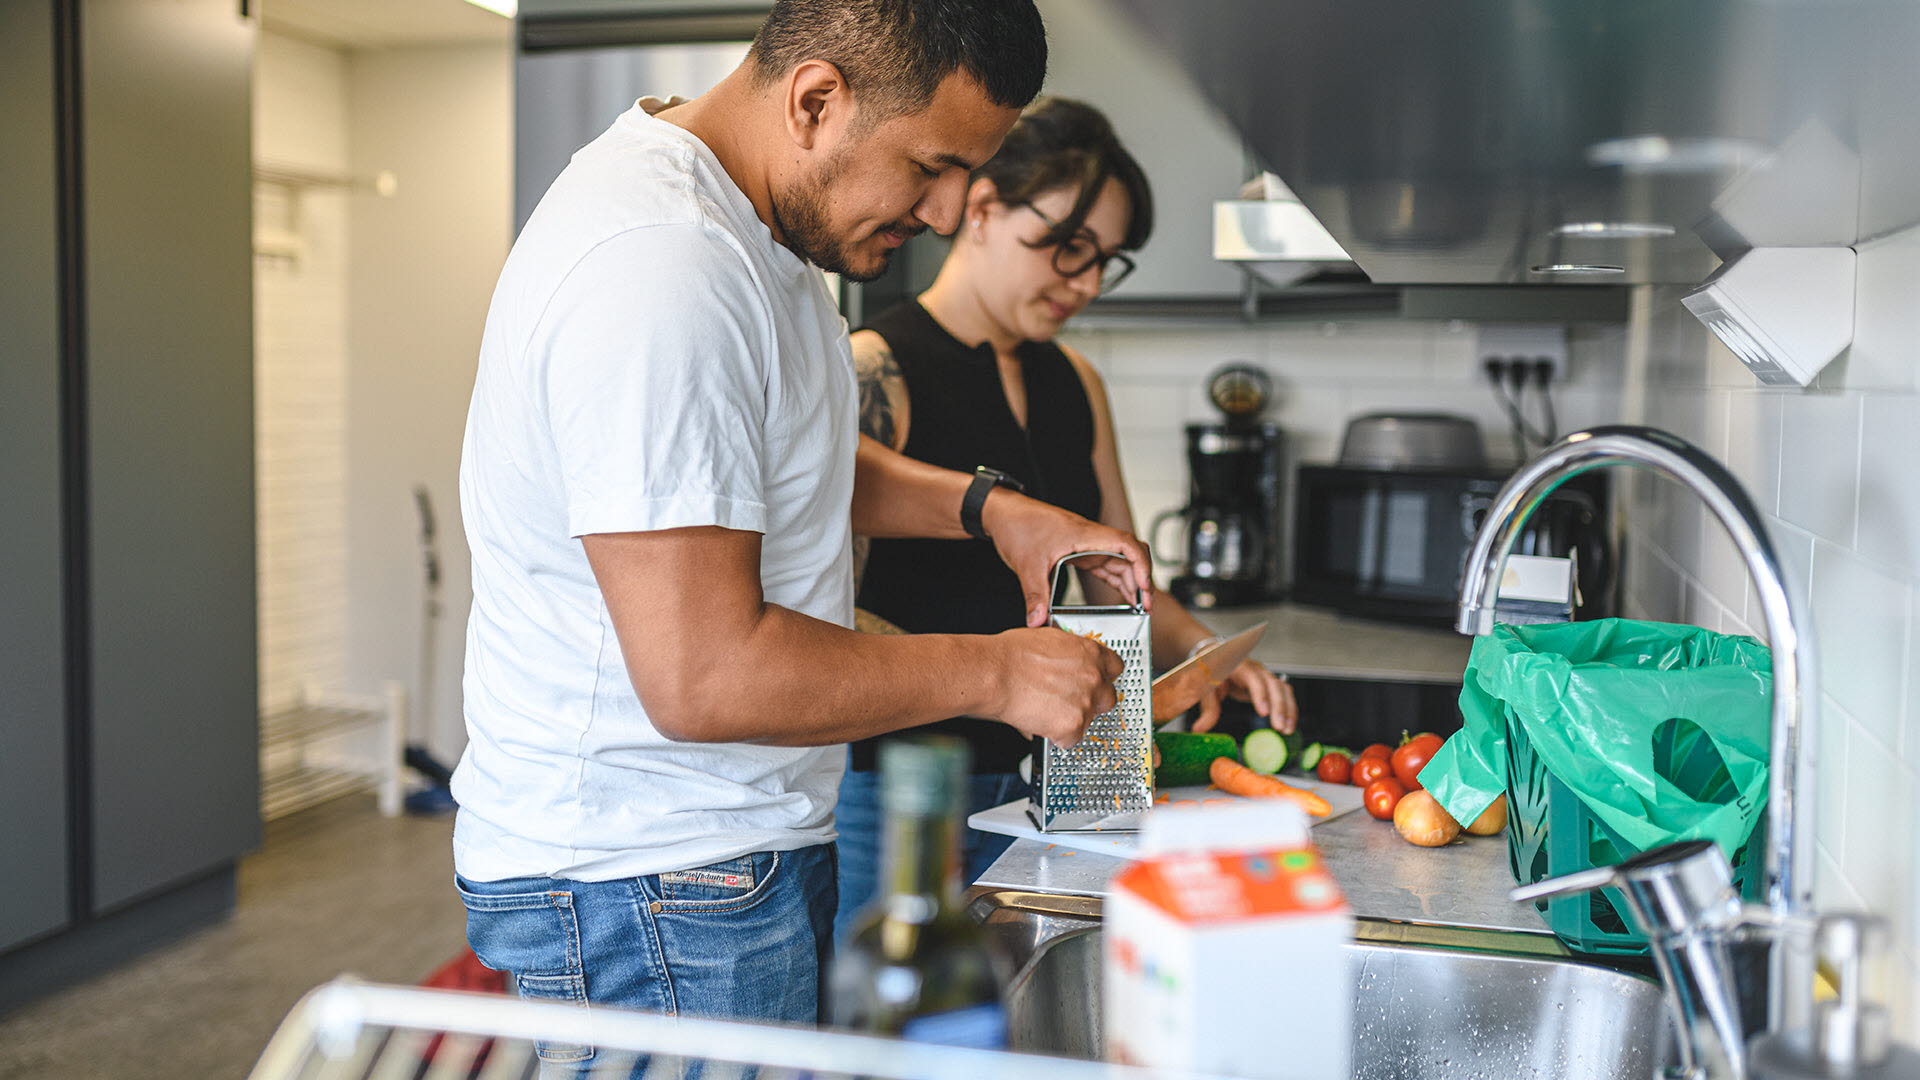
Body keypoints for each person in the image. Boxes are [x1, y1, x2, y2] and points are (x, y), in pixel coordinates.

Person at [449, 0, 1156, 1061]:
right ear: (816, 99)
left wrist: (992, 510)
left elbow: (788, 459)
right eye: (932, 166)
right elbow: (705, 677)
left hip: (711, 863)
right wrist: (1000, 674)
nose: (945, 208)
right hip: (649, 885)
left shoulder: (759, 235)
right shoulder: (663, 269)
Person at [834, 98, 1301, 939]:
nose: (1084, 283)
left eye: (1105, 262)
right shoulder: (879, 368)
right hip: (900, 788)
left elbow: (1115, 575)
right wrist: (990, 675)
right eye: (1069, 248)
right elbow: (825, 614)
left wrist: (1200, 657)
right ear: (982, 207)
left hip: (1057, 775)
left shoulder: (1075, 381)